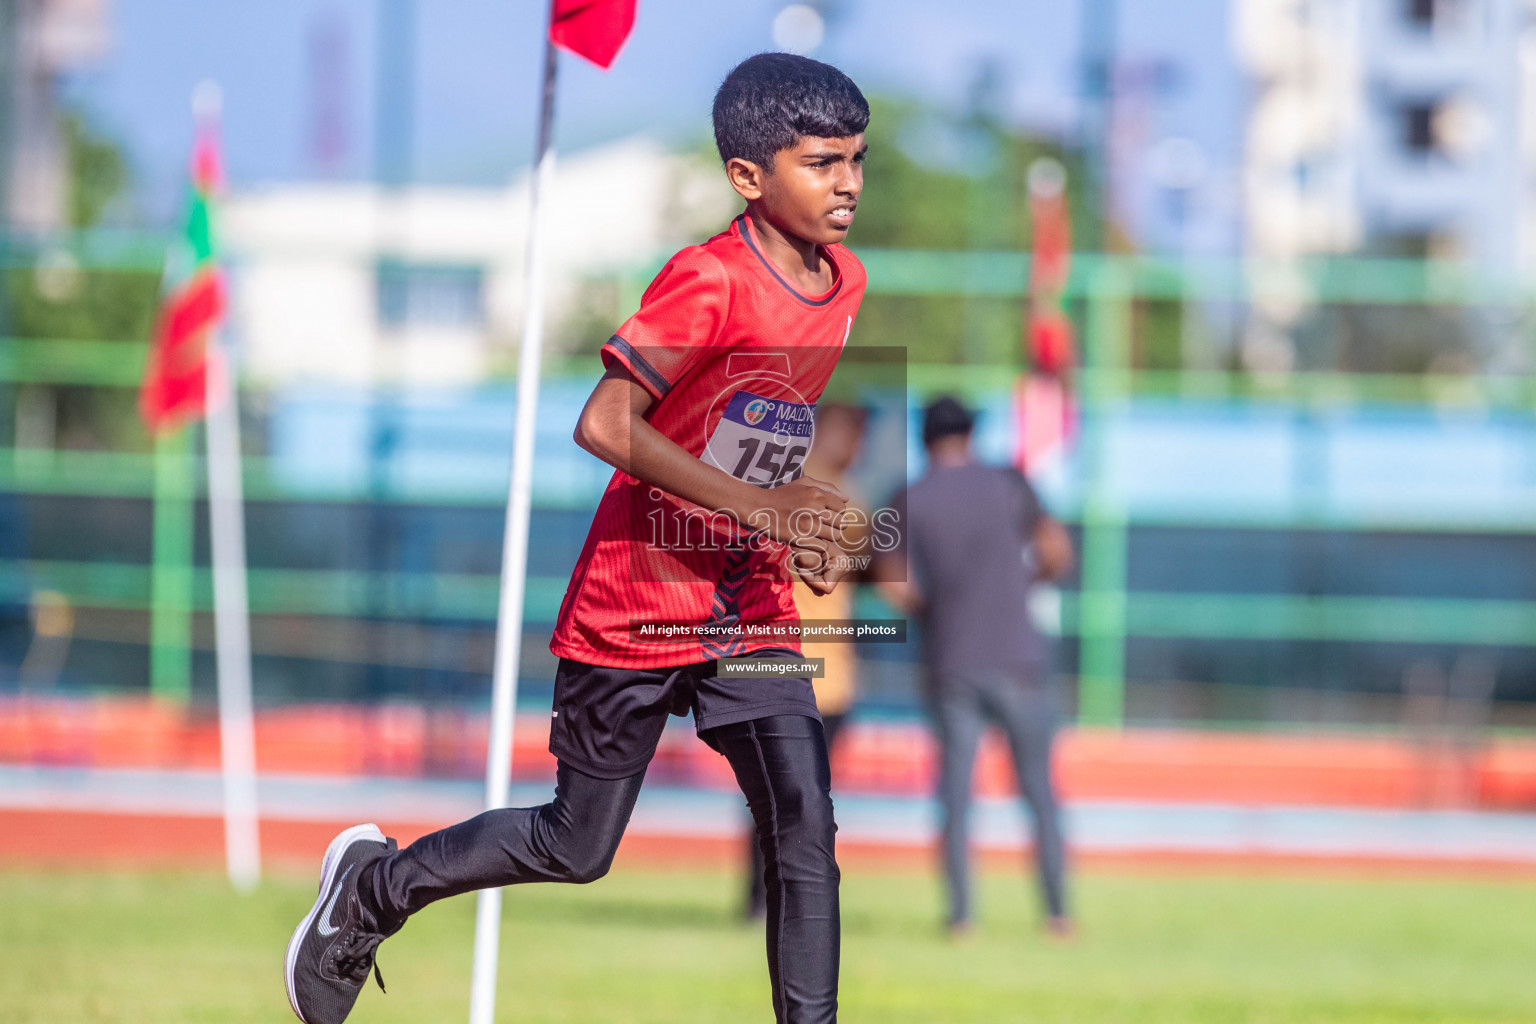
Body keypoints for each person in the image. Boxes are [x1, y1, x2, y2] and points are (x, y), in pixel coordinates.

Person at [284, 52, 869, 1024]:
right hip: (639, 599)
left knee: (804, 827)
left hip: (748, 602)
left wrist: (805, 508)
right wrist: (765, 507)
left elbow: (741, 429)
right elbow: (606, 424)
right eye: (821, 162)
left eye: (855, 159)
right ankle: (372, 889)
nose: (847, 181)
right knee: (575, 845)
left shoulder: (843, 282)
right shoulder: (708, 280)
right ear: (747, 177)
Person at [876, 396, 1075, 938]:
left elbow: (894, 583)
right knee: (1039, 792)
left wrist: (936, 612)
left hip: (951, 661)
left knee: (957, 799)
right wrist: (1020, 590)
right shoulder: (1010, 483)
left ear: (924, 438)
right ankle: (1058, 915)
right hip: (1019, 657)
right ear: (972, 433)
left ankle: (963, 917)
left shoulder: (909, 496)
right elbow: (1057, 551)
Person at [744, 402, 869, 920]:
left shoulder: (787, 494)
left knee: (785, 798)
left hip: (811, 670)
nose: (858, 448)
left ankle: (770, 902)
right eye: (853, 434)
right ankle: (774, 901)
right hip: (793, 666)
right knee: (792, 799)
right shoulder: (825, 501)